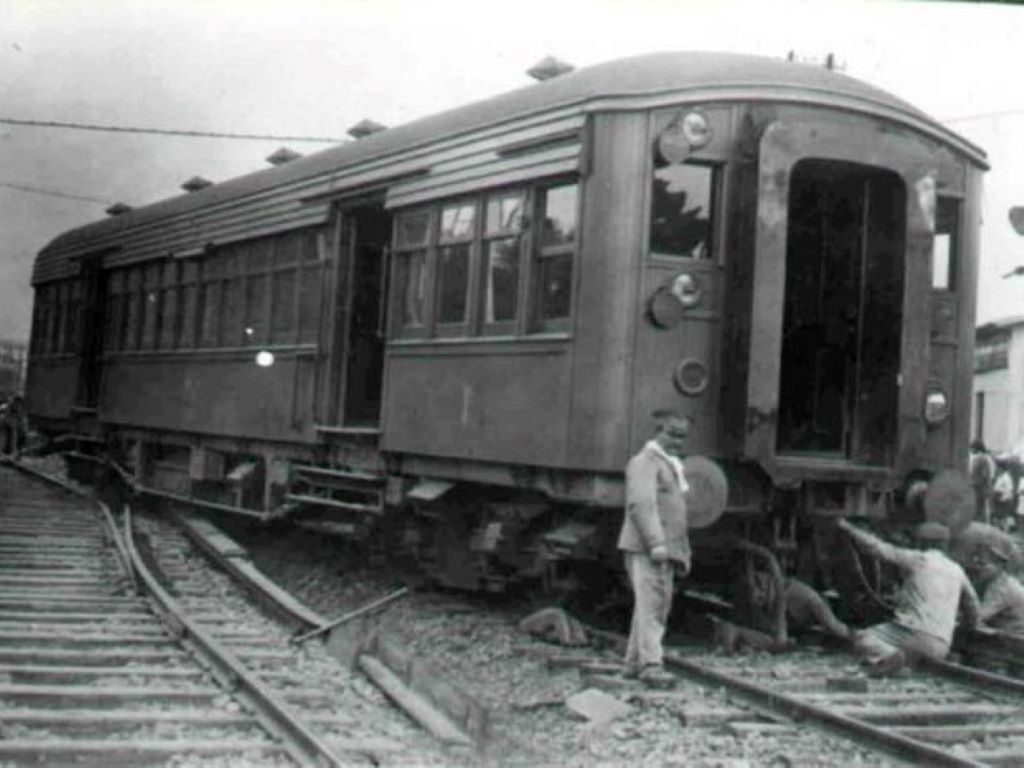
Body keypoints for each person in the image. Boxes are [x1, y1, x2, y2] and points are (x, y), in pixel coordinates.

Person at [837, 519, 980, 676]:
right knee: (907, 647)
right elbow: (972, 604)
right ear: (945, 545)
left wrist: (848, 528)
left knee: (862, 637)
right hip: (942, 645)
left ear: (921, 543)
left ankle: (890, 658)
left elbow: (877, 548)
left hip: (913, 637)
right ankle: (902, 666)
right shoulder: (957, 570)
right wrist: (968, 626)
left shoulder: (919, 560)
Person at [618, 410, 692, 686]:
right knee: (654, 607)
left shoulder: (666, 463)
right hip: (650, 548)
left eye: (682, 436)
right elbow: (641, 504)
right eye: (671, 434)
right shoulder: (645, 462)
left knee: (649, 606)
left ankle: (633, 663)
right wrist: (656, 543)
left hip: (662, 548)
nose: (677, 441)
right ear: (657, 430)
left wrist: (681, 550)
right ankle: (651, 665)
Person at [970, 542, 1024, 636]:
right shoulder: (997, 581)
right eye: (976, 563)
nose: (977, 568)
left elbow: (977, 617)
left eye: (983, 564)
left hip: (1017, 638)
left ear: (1000, 566)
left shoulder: (1002, 588)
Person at [968, 440, 997, 523]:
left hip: (979, 487)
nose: (971, 450)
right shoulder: (988, 459)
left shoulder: (980, 458)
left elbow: (982, 474)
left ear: (977, 448)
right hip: (984, 486)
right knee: (983, 509)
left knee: (978, 508)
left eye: (972, 448)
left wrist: (973, 482)